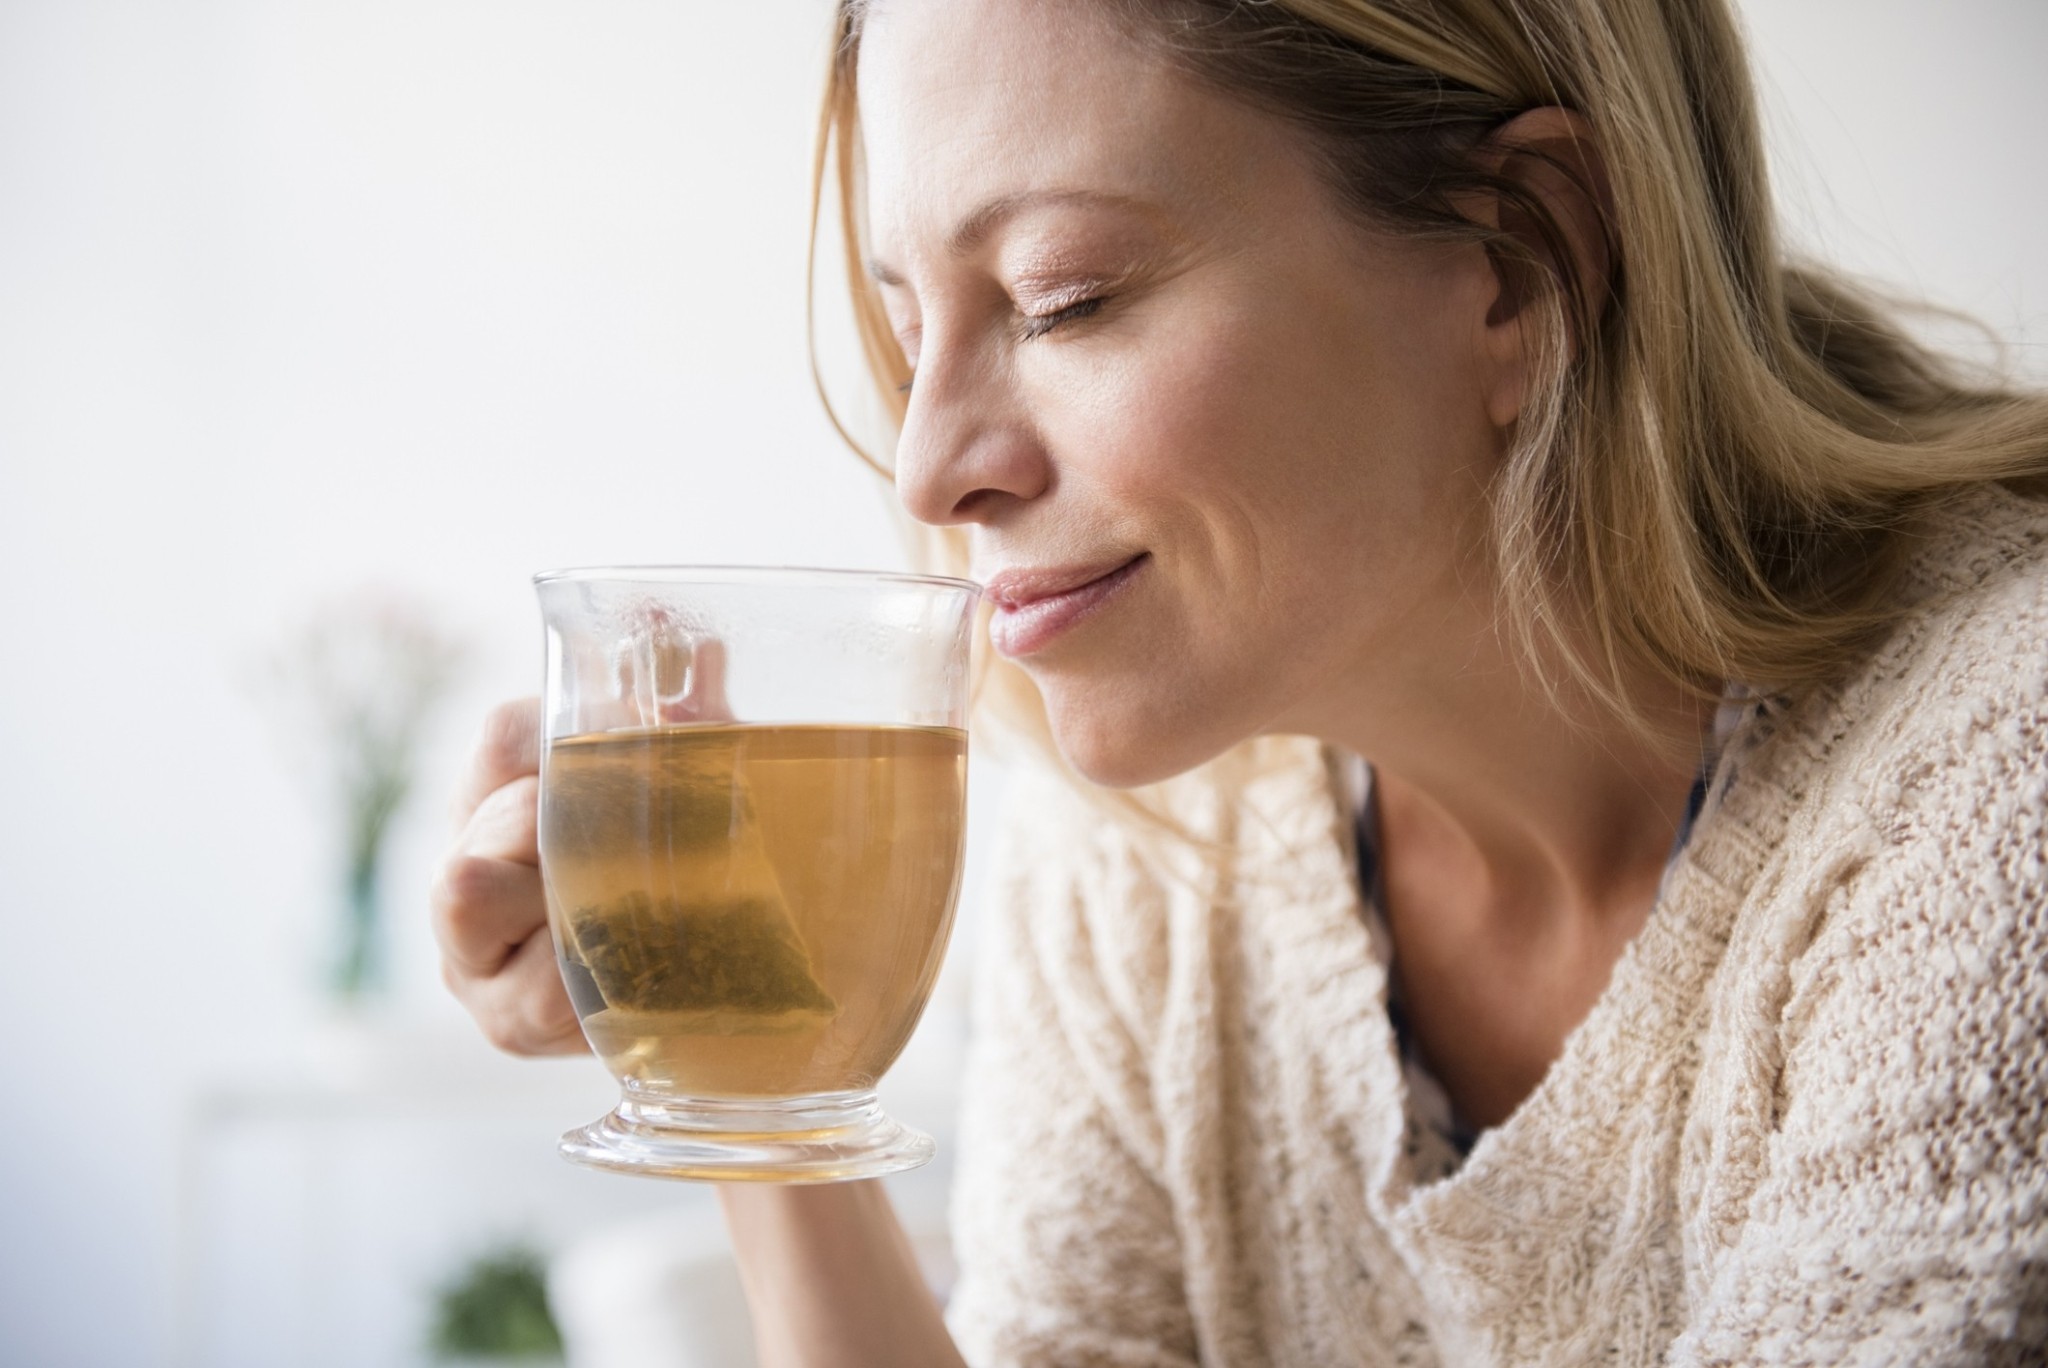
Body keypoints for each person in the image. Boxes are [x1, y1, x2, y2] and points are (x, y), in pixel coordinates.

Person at [432, 0, 2048, 1362]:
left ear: (1524, 260)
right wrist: (746, 1056)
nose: (927, 469)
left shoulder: (1996, 782)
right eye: (909, 328)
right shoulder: (1145, 846)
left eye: (1064, 299)